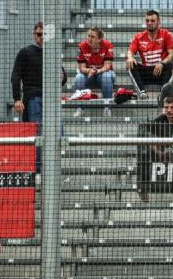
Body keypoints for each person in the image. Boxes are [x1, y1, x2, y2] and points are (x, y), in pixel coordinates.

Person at [11, 22, 66, 173]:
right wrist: (17, 98)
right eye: (39, 34)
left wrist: (62, 77)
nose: (42, 37)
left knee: (58, 131)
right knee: (38, 132)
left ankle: (51, 169)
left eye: (44, 34)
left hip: (51, 98)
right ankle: (38, 170)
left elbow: (62, 78)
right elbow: (16, 76)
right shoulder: (25, 52)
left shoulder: (52, 53)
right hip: (33, 97)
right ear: (34, 35)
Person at [126, 10, 173, 99]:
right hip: (146, 72)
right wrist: (130, 57)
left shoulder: (166, 34)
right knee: (130, 64)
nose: (149, 23)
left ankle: (163, 93)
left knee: (172, 65)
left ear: (158, 22)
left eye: (152, 21)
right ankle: (141, 93)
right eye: (147, 21)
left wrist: (161, 63)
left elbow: (171, 54)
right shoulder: (139, 37)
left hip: (160, 72)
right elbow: (130, 51)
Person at [73, 26, 116, 117]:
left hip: (103, 73)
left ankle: (107, 107)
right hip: (89, 74)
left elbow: (107, 66)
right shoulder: (82, 46)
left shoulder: (108, 45)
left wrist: (98, 71)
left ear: (100, 39)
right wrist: (90, 70)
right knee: (78, 77)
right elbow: (82, 68)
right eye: (88, 36)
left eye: (92, 37)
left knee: (107, 76)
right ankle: (80, 108)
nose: (89, 38)